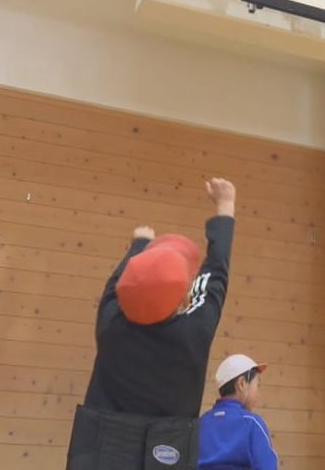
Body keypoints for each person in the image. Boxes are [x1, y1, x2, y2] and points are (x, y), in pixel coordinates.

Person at [66, 177, 237, 470]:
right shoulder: (193, 332)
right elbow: (215, 276)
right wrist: (225, 205)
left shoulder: (111, 325)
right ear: (184, 299)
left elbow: (116, 285)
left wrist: (139, 245)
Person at [197, 354, 278, 470]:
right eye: (257, 385)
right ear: (242, 384)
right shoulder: (251, 423)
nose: (258, 394)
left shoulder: (201, 423)